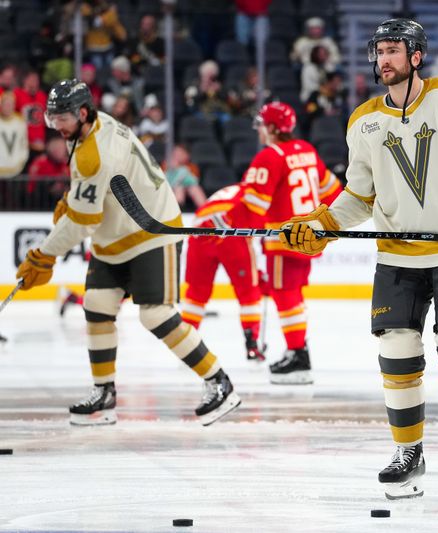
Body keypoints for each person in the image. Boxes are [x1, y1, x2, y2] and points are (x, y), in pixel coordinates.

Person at [278, 18, 438, 501]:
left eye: (393, 51)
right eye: (379, 53)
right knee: (396, 356)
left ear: (416, 56)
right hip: (396, 256)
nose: (384, 61)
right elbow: (358, 196)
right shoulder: (363, 120)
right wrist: (321, 225)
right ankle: (408, 452)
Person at [15, 79, 241, 427]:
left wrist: (43, 255)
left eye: (62, 118)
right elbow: (88, 199)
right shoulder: (91, 130)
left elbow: (82, 221)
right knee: (97, 307)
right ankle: (104, 394)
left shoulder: (96, 153)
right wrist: (71, 198)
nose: (55, 126)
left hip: (152, 233)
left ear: (83, 113)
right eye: (52, 118)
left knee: (156, 316)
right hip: (115, 236)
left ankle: (219, 382)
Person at [238, 101, 341, 383]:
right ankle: (298, 350)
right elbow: (333, 191)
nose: (259, 129)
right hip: (310, 237)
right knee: (292, 294)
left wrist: (235, 228)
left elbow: (253, 207)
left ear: (271, 128)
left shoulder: (269, 156)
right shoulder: (306, 150)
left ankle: (298, 355)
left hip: (283, 241)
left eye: (261, 124)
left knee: (286, 295)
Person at [180, 183, 266, 363]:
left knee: (196, 293)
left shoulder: (231, 190)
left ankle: (185, 344)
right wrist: (257, 273)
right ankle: (252, 344)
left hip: (198, 230)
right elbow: (260, 230)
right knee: (248, 292)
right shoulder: (260, 193)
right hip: (230, 230)